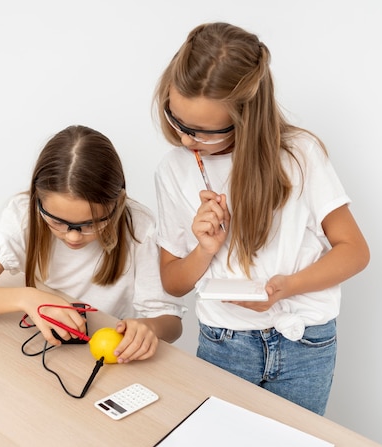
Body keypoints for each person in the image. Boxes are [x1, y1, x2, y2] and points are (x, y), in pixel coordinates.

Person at [152, 22, 369, 414]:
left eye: (202, 132)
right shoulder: (173, 170)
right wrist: (204, 250)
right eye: (176, 120)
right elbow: (172, 282)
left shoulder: (299, 155)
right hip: (224, 344)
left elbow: (354, 251)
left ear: (246, 118)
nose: (186, 140)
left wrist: (288, 287)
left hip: (305, 344)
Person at [0, 125, 184, 363]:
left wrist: (150, 328)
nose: (73, 237)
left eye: (92, 224)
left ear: (118, 204)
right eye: (57, 222)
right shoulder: (23, 216)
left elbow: (172, 324)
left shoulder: (139, 228)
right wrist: (27, 298)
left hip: (106, 361)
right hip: (46, 353)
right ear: (37, 200)